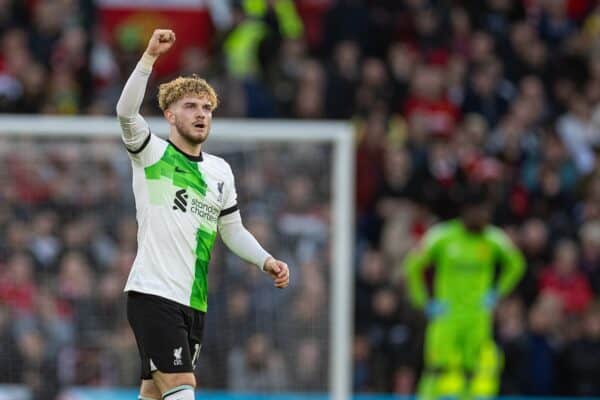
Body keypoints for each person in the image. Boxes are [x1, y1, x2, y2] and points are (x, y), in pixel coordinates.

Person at [116, 29, 290, 400]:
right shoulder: (153, 156)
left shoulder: (220, 172)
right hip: (153, 293)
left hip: (193, 302)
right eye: (191, 107)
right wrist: (148, 58)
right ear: (169, 115)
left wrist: (265, 260)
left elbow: (233, 230)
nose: (201, 114)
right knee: (182, 387)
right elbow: (125, 112)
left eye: (207, 108)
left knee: (152, 393)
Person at [403, 185, 525, 400]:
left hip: (478, 319)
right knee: (440, 372)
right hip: (446, 318)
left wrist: (496, 294)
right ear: (467, 211)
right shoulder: (443, 236)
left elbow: (517, 265)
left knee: (477, 375)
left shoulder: (493, 239)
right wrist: (424, 301)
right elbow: (413, 266)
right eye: (480, 211)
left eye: (487, 211)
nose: (485, 216)